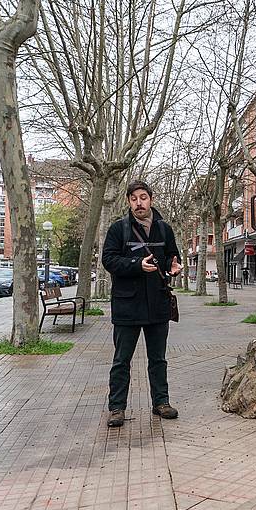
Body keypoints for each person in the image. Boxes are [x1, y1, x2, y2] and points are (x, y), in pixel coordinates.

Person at [102, 180, 182, 428]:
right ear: (128, 201)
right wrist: (137, 265)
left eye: (143, 197)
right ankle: (117, 408)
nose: (139, 202)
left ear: (151, 199)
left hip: (157, 303)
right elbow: (109, 260)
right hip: (127, 307)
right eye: (134, 198)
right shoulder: (119, 230)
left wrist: (173, 265)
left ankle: (161, 402)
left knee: (158, 359)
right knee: (121, 361)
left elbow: (171, 255)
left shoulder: (164, 229)